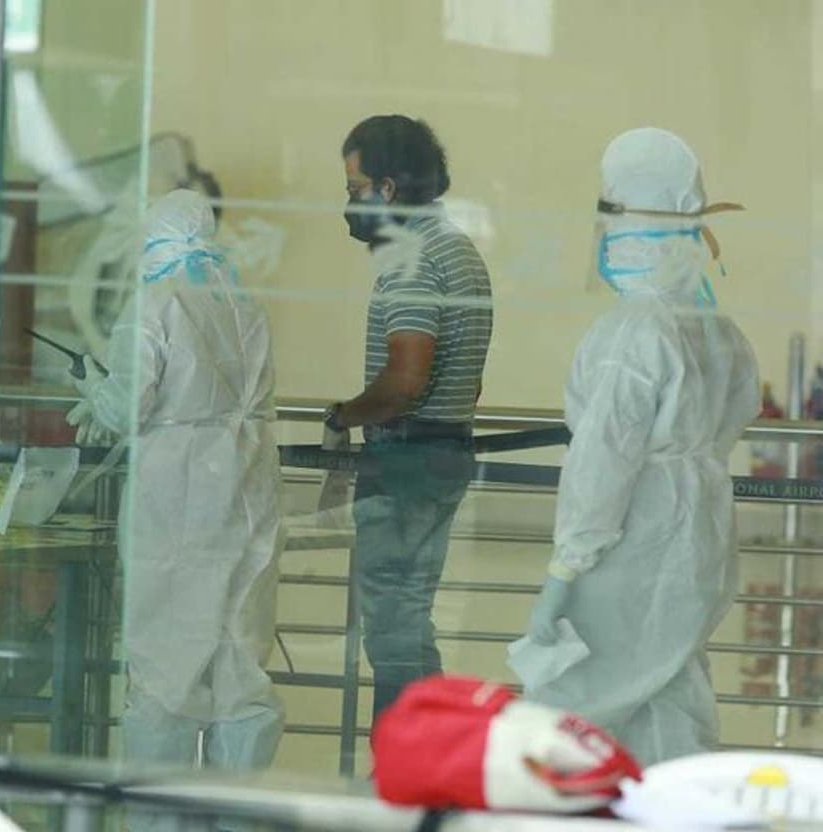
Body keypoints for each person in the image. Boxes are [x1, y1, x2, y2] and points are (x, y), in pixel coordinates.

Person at [523, 127, 760, 765]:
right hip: (697, 539)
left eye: (609, 209)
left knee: (565, 718)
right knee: (668, 701)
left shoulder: (634, 331)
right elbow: (739, 410)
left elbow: (603, 460)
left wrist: (565, 569)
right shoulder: (714, 325)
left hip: (631, 545)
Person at [67, 189, 284, 788]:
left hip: (176, 494)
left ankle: (158, 814)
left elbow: (124, 408)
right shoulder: (242, 301)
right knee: (239, 663)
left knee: (164, 666)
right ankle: (235, 814)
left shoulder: (154, 301)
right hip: (246, 488)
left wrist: (93, 391)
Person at [322, 115, 493, 724]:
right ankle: (428, 752)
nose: (349, 203)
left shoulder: (413, 260)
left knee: (392, 630)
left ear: (387, 189)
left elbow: (405, 381)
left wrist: (344, 415)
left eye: (355, 188)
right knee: (409, 621)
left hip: (405, 461)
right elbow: (468, 381)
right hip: (444, 453)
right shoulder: (457, 249)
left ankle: (401, 755)